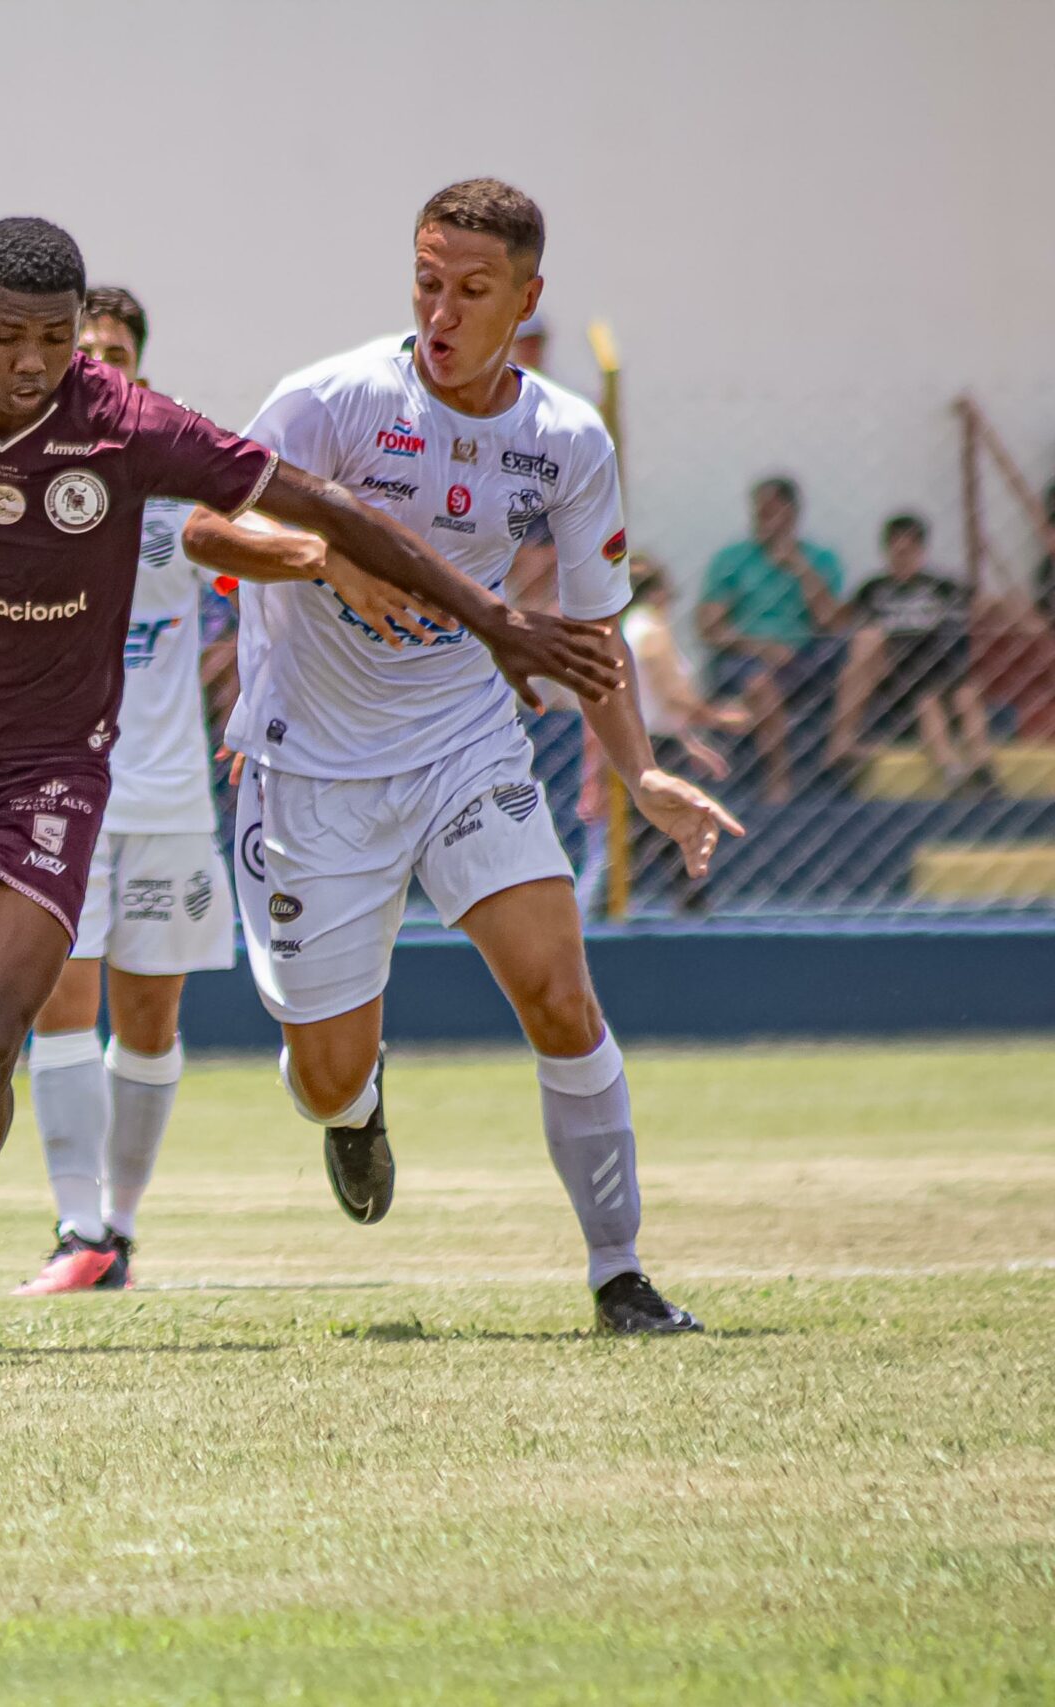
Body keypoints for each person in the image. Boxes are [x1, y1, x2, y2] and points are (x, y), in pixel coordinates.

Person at [0, 214, 619, 1358]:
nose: (32, 363)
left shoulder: (122, 424)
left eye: (52, 340)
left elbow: (323, 507)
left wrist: (493, 620)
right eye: (5, 339)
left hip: (45, 778)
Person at [186, 179, 739, 1336]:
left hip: (460, 744)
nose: (441, 310)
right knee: (326, 1072)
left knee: (558, 992)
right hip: (311, 767)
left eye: (471, 291)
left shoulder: (566, 441)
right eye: (427, 283)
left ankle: (621, 1273)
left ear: (525, 301)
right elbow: (202, 523)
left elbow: (588, 635)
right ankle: (356, 1102)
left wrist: (641, 773)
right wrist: (321, 557)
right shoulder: (333, 398)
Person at [7, 286, 240, 1295]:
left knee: (148, 1022)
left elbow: (249, 604)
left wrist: (249, 697)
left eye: (113, 351)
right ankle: (75, 1228)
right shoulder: (12, 475)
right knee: (60, 1005)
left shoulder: (178, 487)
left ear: (136, 367)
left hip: (166, 796)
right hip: (52, 790)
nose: (96, 364)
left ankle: (120, 1232)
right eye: (81, 350)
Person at [578, 556, 747, 913]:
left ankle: (634, 900)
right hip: (655, 747)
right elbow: (671, 694)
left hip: (636, 739)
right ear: (656, 594)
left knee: (646, 832)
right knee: (659, 828)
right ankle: (676, 901)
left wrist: (692, 741)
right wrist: (718, 717)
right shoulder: (652, 630)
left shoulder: (624, 631)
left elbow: (646, 701)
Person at [696, 476, 848, 802]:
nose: (761, 520)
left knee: (862, 644)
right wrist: (760, 646)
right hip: (748, 655)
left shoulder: (820, 559)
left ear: (792, 514)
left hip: (806, 653)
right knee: (759, 683)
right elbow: (710, 627)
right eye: (758, 512)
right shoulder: (733, 559)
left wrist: (799, 568)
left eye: (771, 512)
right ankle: (779, 778)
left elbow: (832, 622)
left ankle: (842, 749)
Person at [831, 514, 992, 790]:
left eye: (908, 551)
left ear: (920, 550)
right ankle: (950, 768)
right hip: (898, 670)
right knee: (926, 700)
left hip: (940, 663)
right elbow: (848, 626)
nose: (901, 558)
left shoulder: (941, 586)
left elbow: (980, 606)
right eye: (896, 550)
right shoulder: (874, 588)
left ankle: (982, 767)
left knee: (966, 693)